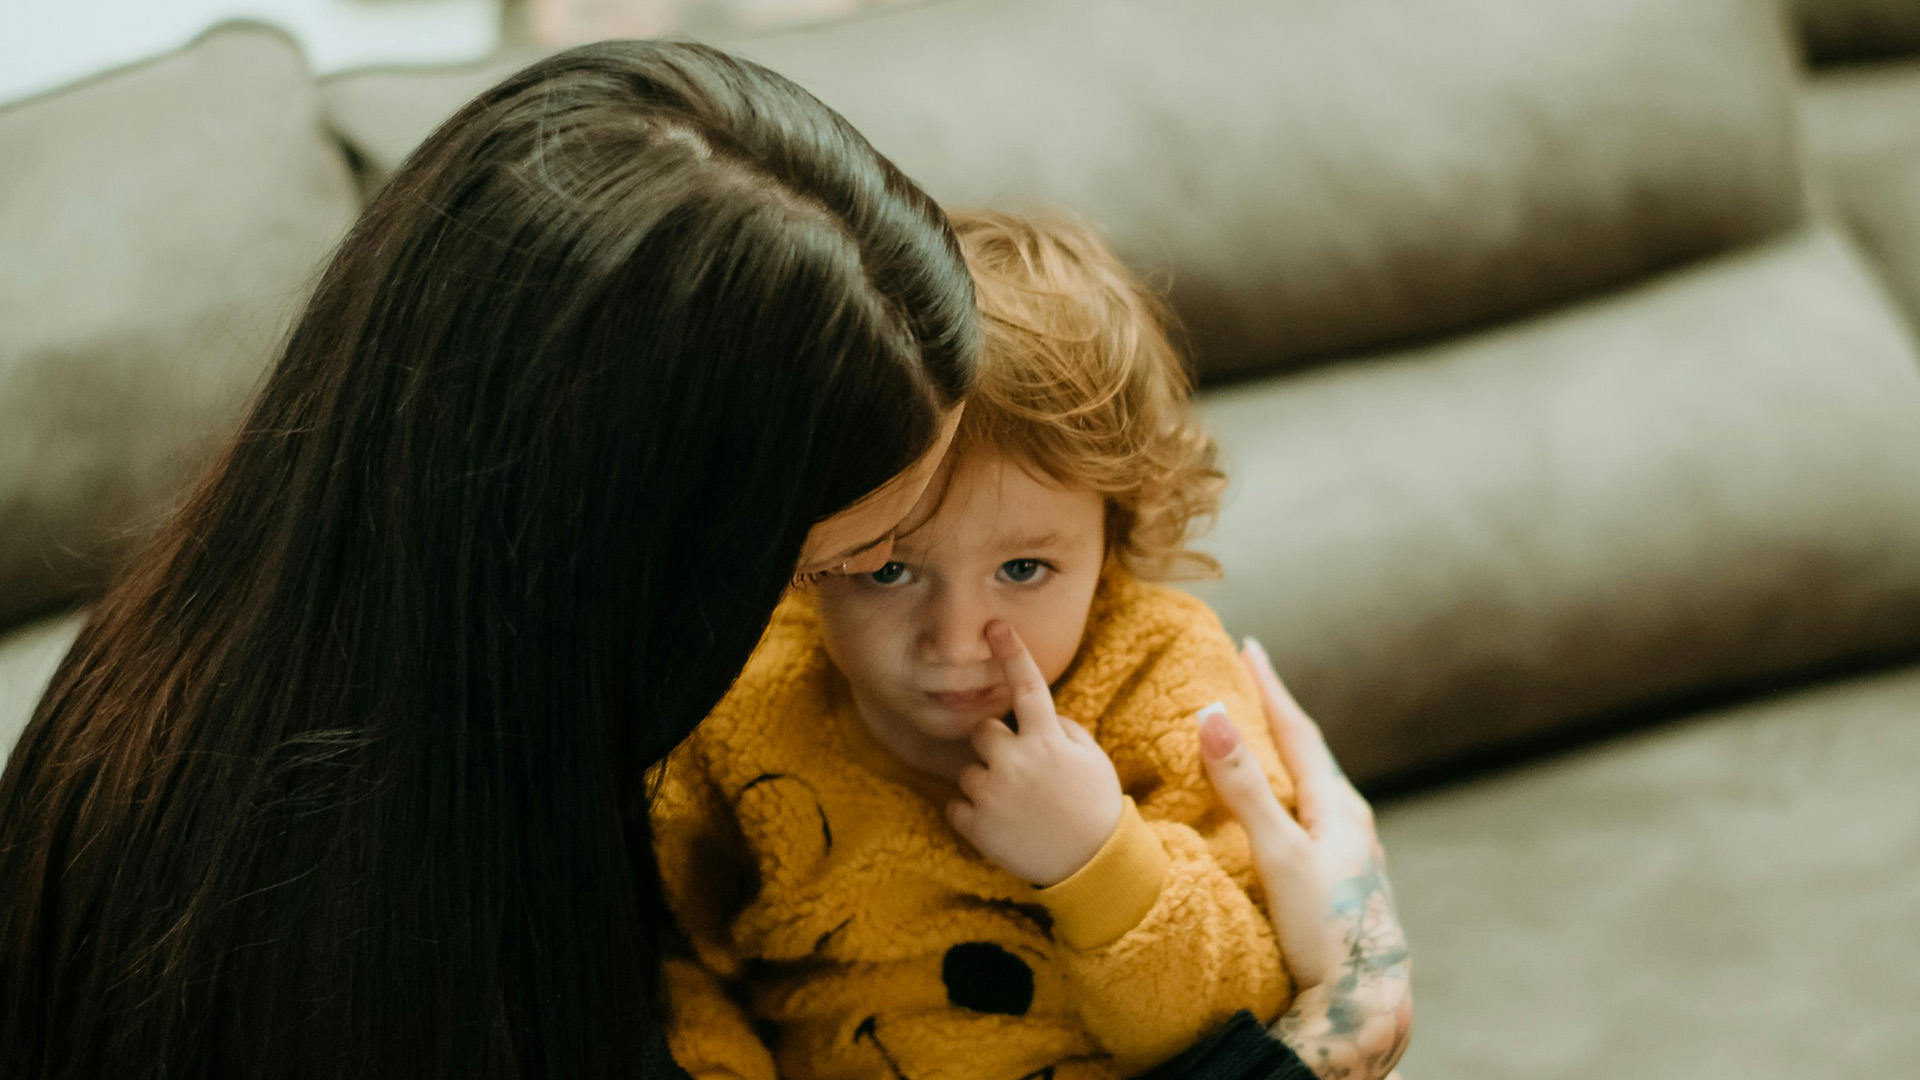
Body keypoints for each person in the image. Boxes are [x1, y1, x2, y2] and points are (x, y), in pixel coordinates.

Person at [0, 40, 1407, 1080]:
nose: (950, 634)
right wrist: (1334, 1031)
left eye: (1024, 567)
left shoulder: (283, 662)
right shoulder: (355, 937)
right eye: (857, 565)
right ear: (632, 560)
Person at [654, 210, 1300, 1079]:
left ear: (1116, 529)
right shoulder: (744, 702)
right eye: (886, 573)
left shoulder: (1160, 678)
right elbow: (665, 973)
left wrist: (1099, 858)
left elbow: (1256, 1010)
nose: (957, 645)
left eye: (1025, 568)